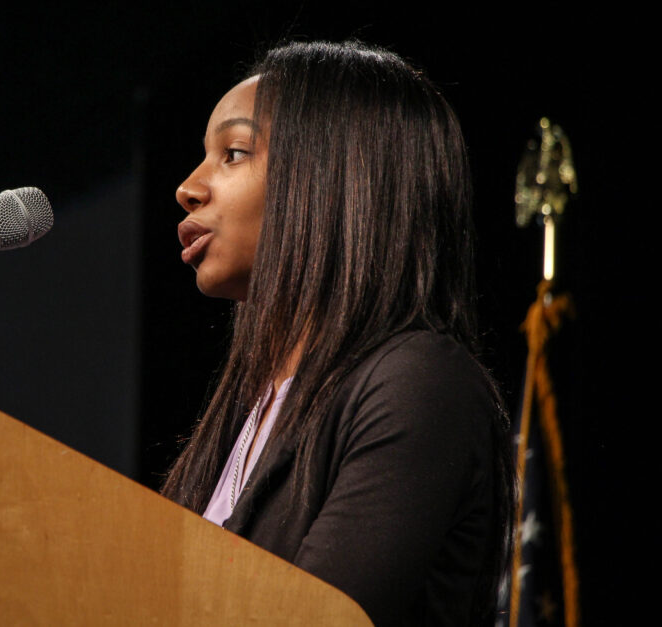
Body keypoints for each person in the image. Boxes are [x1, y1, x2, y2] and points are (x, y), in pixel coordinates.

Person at [163, 40, 512, 627]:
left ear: (334, 175)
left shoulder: (417, 382)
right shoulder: (248, 411)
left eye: (234, 152)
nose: (189, 187)